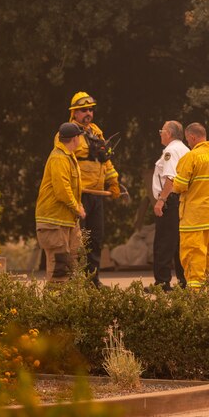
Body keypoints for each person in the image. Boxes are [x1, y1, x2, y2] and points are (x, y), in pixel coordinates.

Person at [68, 91, 126, 287]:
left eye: (91, 110)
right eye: (84, 110)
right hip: (79, 195)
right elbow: (63, 162)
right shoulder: (68, 133)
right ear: (74, 112)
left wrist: (114, 182)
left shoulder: (96, 132)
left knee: (96, 238)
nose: (88, 113)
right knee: (77, 241)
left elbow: (106, 162)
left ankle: (93, 280)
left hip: (97, 196)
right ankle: (75, 280)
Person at [171, 122, 209, 293]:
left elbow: (180, 186)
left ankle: (195, 294)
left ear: (192, 137)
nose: (188, 143)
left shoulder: (191, 157)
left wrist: (174, 184)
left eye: (188, 140)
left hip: (194, 218)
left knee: (193, 255)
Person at [35, 122, 86, 283]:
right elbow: (62, 190)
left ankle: (68, 304)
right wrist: (76, 207)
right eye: (79, 136)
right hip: (53, 222)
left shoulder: (68, 156)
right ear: (74, 139)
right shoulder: (59, 158)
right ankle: (55, 305)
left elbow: (71, 187)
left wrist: (78, 205)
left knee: (73, 262)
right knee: (59, 267)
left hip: (65, 221)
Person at [152, 120, 189, 290]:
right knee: (178, 243)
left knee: (164, 242)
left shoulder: (171, 150)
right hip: (181, 201)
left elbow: (170, 177)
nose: (160, 133)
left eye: (162, 130)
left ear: (169, 133)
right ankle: (184, 280)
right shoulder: (184, 149)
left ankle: (162, 282)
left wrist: (161, 200)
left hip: (170, 200)